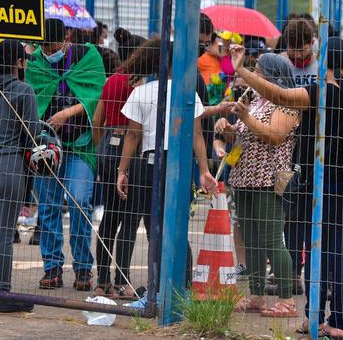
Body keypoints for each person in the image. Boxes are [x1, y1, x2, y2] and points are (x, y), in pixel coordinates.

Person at [231, 38, 343, 338]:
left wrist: (243, 71)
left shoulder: (317, 93)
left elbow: (280, 95)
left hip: (323, 180)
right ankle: (337, 324)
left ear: (323, 59)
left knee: (317, 249)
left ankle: (313, 318)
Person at [115, 37, 217, 302]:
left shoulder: (142, 92)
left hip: (150, 165)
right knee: (178, 227)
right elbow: (197, 135)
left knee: (154, 230)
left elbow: (132, 136)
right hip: (180, 165)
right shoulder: (187, 93)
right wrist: (204, 170)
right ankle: (181, 290)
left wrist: (122, 170)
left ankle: (157, 289)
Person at [214, 53, 300, 318]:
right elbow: (239, 136)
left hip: (269, 177)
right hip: (244, 175)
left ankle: (287, 300)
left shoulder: (287, 102)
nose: (254, 74)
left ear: (272, 75)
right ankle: (256, 295)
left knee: (272, 240)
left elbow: (275, 136)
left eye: (259, 71)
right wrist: (225, 128)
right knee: (251, 241)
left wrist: (247, 117)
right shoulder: (252, 97)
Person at [26, 18, 106, 291]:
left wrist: (69, 112)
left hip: (80, 145)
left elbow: (98, 94)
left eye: (51, 46)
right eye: (43, 47)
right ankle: (52, 267)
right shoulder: (34, 62)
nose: (47, 52)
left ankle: (84, 267)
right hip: (46, 147)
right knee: (47, 207)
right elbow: (30, 98)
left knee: (80, 201)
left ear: (67, 39)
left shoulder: (88, 57)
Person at [0, 39, 38, 313]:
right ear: (18, 62)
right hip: (9, 165)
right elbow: (33, 135)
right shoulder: (25, 91)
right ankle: (4, 292)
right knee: (4, 233)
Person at [90, 41, 153, 299]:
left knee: (109, 216)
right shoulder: (140, 86)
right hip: (131, 149)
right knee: (129, 218)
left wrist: (101, 147)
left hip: (107, 145)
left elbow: (96, 120)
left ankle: (102, 280)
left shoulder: (111, 81)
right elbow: (135, 129)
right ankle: (122, 280)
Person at [281, 18, 318, 88]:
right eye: (293, 50)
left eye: (301, 50)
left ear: (312, 43)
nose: (297, 56)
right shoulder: (278, 64)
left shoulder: (322, 66)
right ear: (286, 44)